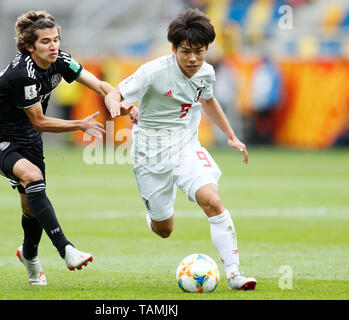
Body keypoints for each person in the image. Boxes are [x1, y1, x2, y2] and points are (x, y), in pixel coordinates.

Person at [0, 10, 133, 285]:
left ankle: (29, 256)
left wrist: (118, 99)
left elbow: (97, 83)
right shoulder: (22, 74)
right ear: (29, 46)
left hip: (28, 139)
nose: (54, 46)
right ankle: (66, 249)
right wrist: (80, 125)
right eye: (46, 41)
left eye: (57, 39)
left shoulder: (60, 59)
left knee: (31, 204)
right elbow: (39, 121)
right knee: (33, 177)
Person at [105, 8, 257, 290]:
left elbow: (208, 100)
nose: (193, 58)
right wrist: (117, 104)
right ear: (174, 48)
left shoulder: (206, 72)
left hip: (187, 146)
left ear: (207, 49)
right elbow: (115, 92)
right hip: (151, 153)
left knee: (211, 199)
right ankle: (153, 212)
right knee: (164, 230)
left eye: (199, 51)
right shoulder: (152, 73)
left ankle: (235, 274)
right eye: (186, 51)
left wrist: (231, 135)